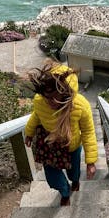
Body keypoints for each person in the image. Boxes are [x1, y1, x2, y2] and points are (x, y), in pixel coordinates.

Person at [24, 63, 97, 206]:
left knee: (73, 172)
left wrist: (91, 162)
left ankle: (75, 181)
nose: (49, 102)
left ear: (66, 93)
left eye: (54, 97)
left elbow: (88, 132)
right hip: (50, 145)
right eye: (47, 97)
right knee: (52, 177)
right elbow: (37, 116)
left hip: (72, 147)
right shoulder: (40, 101)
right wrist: (29, 133)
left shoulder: (80, 105)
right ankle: (65, 192)